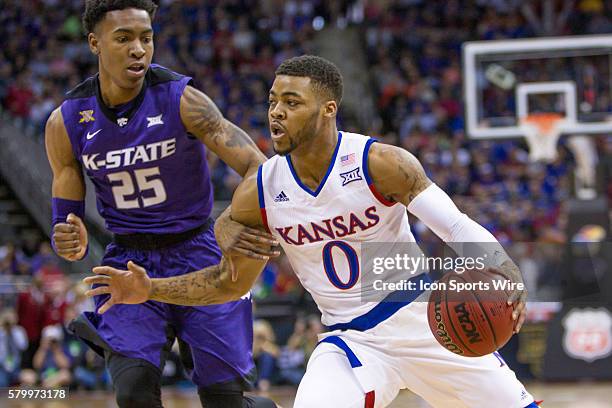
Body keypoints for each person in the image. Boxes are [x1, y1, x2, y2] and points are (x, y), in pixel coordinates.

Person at [85, 55, 537, 408]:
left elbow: (454, 225)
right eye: (273, 101)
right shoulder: (258, 193)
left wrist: (504, 268)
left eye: (292, 103)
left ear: (328, 109)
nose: (276, 113)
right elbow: (227, 284)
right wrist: (150, 290)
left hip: (425, 320)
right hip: (349, 338)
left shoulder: (380, 164)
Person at [44, 1, 279, 407]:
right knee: (134, 392)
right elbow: (66, 210)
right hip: (127, 261)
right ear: (94, 43)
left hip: (199, 253)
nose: (139, 49)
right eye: (124, 38)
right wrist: (67, 231)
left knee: (226, 399)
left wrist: (238, 221)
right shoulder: (66, 121)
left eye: (146, 38)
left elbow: (259, 168)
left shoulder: (184, 100)